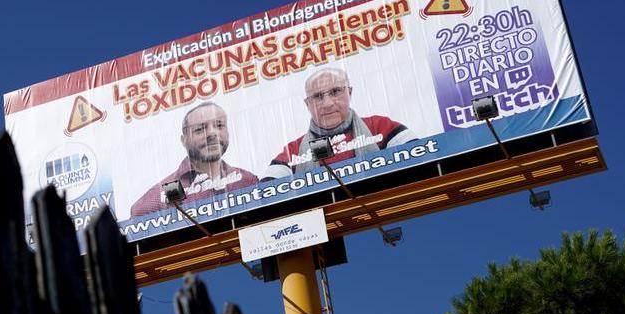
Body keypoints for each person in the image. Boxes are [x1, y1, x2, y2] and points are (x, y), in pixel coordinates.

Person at [265, 67, 414, 178]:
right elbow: (266, 193)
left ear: (349, 93)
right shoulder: (294, 151)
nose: (327, 103)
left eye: (335, 92)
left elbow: (422, 156)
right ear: (307, 104)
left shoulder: (380, 127)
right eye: (317, 96)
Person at [129, 102, 259, 217]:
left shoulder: (247, 181)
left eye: (219, 125)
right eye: (199, 129)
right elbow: (138, 214)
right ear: (184, 140)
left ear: (228, 133)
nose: (212, 133)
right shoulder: (160, 197)